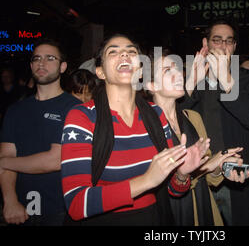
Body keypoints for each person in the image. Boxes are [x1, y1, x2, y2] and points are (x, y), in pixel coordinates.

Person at [60, 33, 209, 225]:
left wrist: (182, 173)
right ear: (100, 72)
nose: (124, 55)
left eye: (131, 52)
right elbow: (76, 203)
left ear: (139, 70)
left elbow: (173, 191)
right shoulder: (82, 117)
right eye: (113, 52)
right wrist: (146, 181)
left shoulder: (156, 115)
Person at [182, 19, 249, 226]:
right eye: (217, 40)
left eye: (229, 41)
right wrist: (191, 85)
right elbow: (175, 120)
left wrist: (226, 78)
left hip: (237, 180)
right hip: (201, 178)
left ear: (235, 47)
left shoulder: (246, 79)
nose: (223, 46)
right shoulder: (194, 81)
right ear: (206, 44)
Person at [146, 49, 249, 225]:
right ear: (152, 86)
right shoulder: (144, 127)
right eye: (167, 71)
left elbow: (210, 177)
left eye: (177, 69)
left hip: (203, 212)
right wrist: (206, 166)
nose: (178, 74)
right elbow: (155, 185)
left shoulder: (193, 118)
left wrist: (220, 167)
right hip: (167, 214)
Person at [0, 38, 81, 226]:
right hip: (22, 209)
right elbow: (7, 155)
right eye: (36, 59)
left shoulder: (75, 108)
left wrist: (4, 162)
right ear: (31, 65)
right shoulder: (15, 111)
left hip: (63, 210)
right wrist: (10, 200)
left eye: (50, 58)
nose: (41, 63)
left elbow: (55, 159)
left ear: (63, 67)